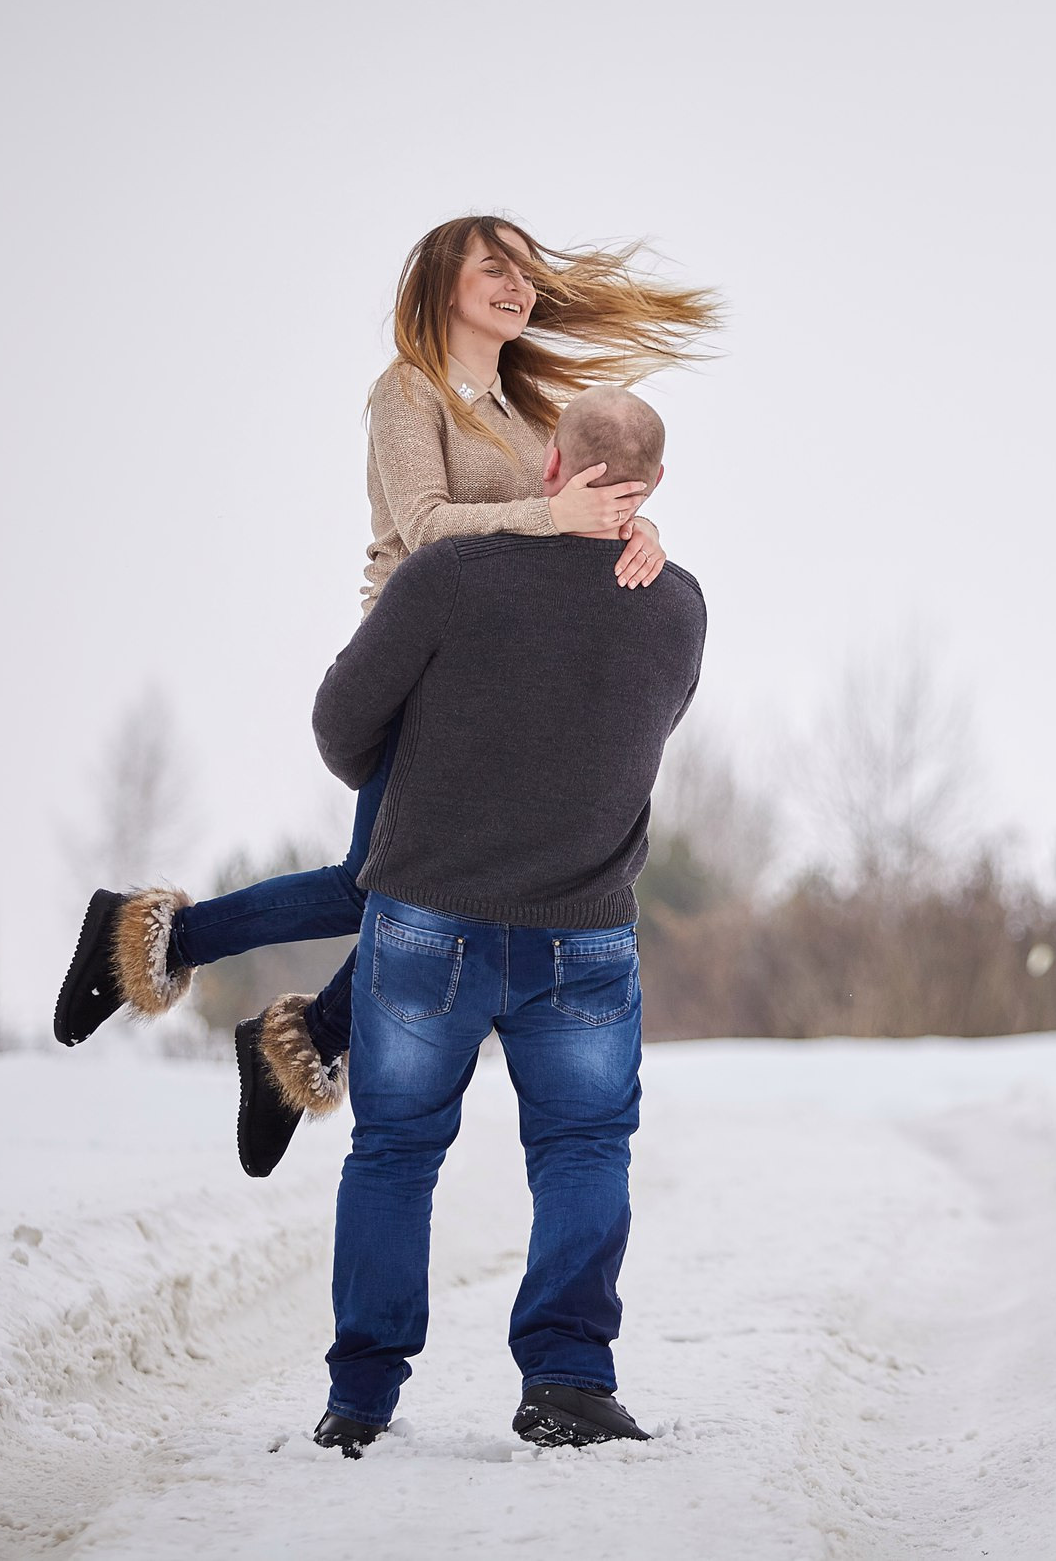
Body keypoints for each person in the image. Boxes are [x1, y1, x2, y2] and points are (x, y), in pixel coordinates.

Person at [49, 215, 718, 1177]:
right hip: (418, 668)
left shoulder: (532, 413)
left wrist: (635, 537)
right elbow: (430, 525)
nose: (518, 286)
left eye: (526, 274)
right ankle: (183, 961)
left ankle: (259, 1011)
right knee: (388, 885)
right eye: (495, 268)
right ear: (444, 282)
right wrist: (555, 512)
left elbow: (575, 517)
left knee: (414, 888)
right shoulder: (406, 393)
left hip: (495, 683)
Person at [303, 387, 705, 1455]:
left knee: (393, 1152)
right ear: (654, 483)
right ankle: (568, 1382)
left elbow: (342, 727)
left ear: (547, 467)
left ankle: (361, 1401)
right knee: (582, 1150)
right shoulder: (677, 604)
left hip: (429, 917)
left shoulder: (448, 580)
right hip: (582, 929)